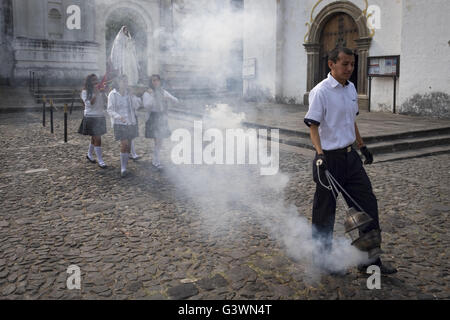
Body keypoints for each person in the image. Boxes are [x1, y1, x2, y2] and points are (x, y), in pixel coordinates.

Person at [304, 47, 397, 274]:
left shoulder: (351, 88)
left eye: (352, 64)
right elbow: (313, 127)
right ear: (331, 64)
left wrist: (362, 146)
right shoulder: (320, 92)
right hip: (329, 160)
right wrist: (319, 154)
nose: (349, 69)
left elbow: (350, 122)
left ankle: (368, 262)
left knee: (367, 207)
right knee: (324, 213)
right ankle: (323, 261)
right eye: (344, 64)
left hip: (350, 158)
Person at [107, 75, 142, 177]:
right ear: (118, 82)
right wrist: (118, 116)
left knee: (129, 145)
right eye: (123, 81)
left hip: (131, 122)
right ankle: (123, 168)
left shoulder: (129, 94)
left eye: (126, 81)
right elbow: (109, 110)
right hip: (120, 123)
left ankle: (125, 165)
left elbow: (137, 106)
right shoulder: (112, 94)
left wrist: (133, 96)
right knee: (124, 144)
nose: (125, 84)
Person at [143, 75, 179, 169]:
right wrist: (153, 96)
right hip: (153, 117)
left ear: (159, 81)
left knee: (160, 141)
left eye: (157, 80)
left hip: (161, 117)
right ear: (151, 82)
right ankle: (156, 161)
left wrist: (169, 99)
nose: (155, 82)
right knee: (158, 140)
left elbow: (176, 100)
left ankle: (155, 159)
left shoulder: (163, 91)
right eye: (153, 80)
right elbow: (146, 106)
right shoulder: (148, 93)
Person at [78, 74, 108, 169]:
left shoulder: (100, 90)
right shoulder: (85, 92)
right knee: (97, 138)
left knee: (94, 138)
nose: (96, 82)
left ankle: (89, 154)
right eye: (93, 81)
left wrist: (104, 92)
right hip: (91, 116)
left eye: (96, 80)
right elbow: (89, 104)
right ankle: (100, 160)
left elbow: (106, 102)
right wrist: (96, 93)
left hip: (100, 115)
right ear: (89, 82)